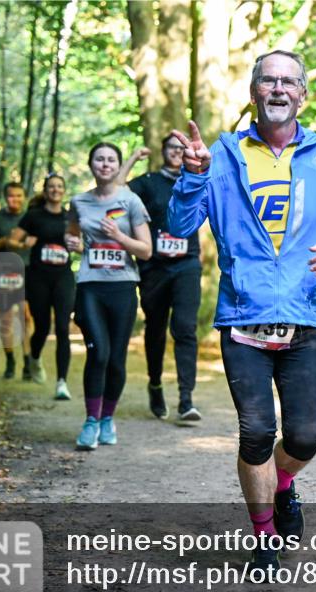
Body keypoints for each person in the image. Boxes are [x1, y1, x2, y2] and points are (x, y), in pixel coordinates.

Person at [168, 50, 316, 571]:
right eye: (268, 81)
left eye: (289, 82)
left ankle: (282, 486)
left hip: (304, 315)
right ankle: (265, 538)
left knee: (304, 437)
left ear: (303, 95)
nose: (279, 89)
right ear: (253, 92)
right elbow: (180, 227)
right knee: (256, 432)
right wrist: (193, 177)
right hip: (243, 317)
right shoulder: (223, 155)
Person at [66, 142, 152, 450]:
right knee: (98, 353)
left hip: (123, 287)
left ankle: (107, 419)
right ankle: (91, 420)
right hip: (90, 285)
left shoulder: (131, 201)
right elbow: (72, 234)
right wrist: (74, 244)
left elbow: (146, 250)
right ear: (91, 164)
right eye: (99, 159)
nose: (105, 164)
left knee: (116, 359)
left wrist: (119, 236)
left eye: (111, 160)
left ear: (117, 166)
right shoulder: (78, 201)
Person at [124, 139, 205, 422]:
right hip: (154, 267)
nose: (176, 151)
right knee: (156, 328)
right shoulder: (148, 182)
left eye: (181, 147)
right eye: (171, 146)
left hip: (187, 264)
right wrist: (133, 158)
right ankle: (155, 383)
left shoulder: (195, 180)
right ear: (162, 151)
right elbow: (116, 192)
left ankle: (186, 400)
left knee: (185, 328)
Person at [9, 174, 75, 399]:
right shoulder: (34, 216)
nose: (56, 190)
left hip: (63, 277)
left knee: (63, 328)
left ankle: (62, 382)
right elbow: (11, 241)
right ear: (46, 191)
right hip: (38, 278)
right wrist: (23, 243)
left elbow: (82, 244)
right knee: (43, 328)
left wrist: (79, 246)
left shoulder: (71, 217)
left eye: (59, 186)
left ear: (64, 190)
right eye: (51, 187)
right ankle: (34, 358)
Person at [0, 182, 33, 379]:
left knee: (26, 316)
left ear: (24, 197)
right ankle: (10, 360)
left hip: (27, 271)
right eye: (11, 196)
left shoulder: (30, 218)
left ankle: (27, 361)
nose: (15, 199)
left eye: (19, 195)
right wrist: (4, 241)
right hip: (2, 273)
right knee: (6, 319)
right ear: (5, 197)